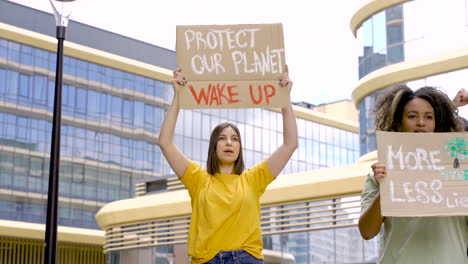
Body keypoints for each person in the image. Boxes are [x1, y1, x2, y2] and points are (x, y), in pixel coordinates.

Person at [158, 67, 298, 264]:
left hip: (247, 259)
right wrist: (178, 97)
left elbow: (290, 144)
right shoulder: (198, 178)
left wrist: (285, 99)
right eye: (222, 138)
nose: (229, 143)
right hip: (207, 260)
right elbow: (165, 142)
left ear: (240, 147)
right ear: (214, 146)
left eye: (234, 139)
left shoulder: (253, 178)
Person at [358, 84, 468, 263]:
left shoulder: (459, 172)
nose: (421, 123)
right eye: (412, 116)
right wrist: (386, 188)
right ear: (398, 124)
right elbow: (367, 232)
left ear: (436, 124)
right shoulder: (379, 174)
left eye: (429, 117)